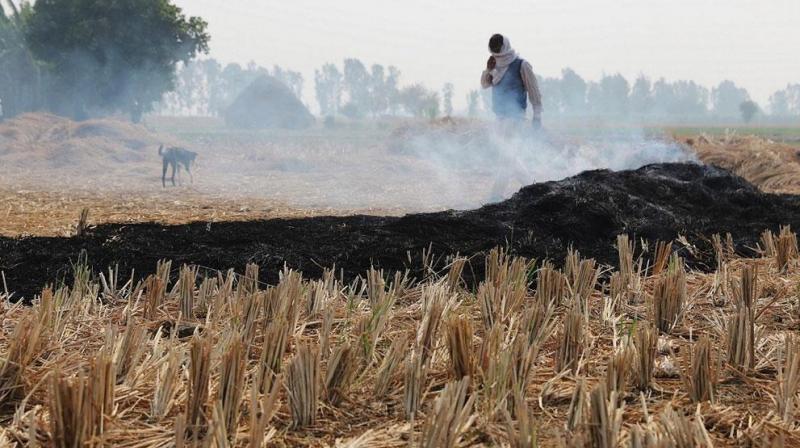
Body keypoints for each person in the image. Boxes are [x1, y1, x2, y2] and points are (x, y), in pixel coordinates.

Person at [480, 33, 543, 128]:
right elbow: (484, 85)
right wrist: (488, 69)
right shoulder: (494, 65)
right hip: (499, 121)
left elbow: (533, 90)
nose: (496, 53)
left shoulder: (522, 65)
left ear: (504, 47)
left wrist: (537, 116)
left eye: (497, 48)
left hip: (517, 121)